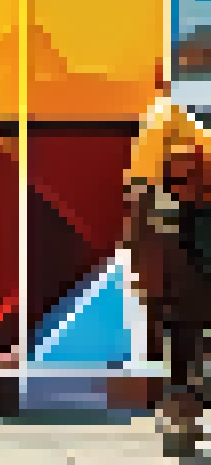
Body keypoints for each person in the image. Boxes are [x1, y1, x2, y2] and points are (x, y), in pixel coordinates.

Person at [129, 131, 211, 458]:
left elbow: (137, 229)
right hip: (178, 272)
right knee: (180, 349)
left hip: (177, 274)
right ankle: (182, 421)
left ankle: (182, 422)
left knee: (180, 350)